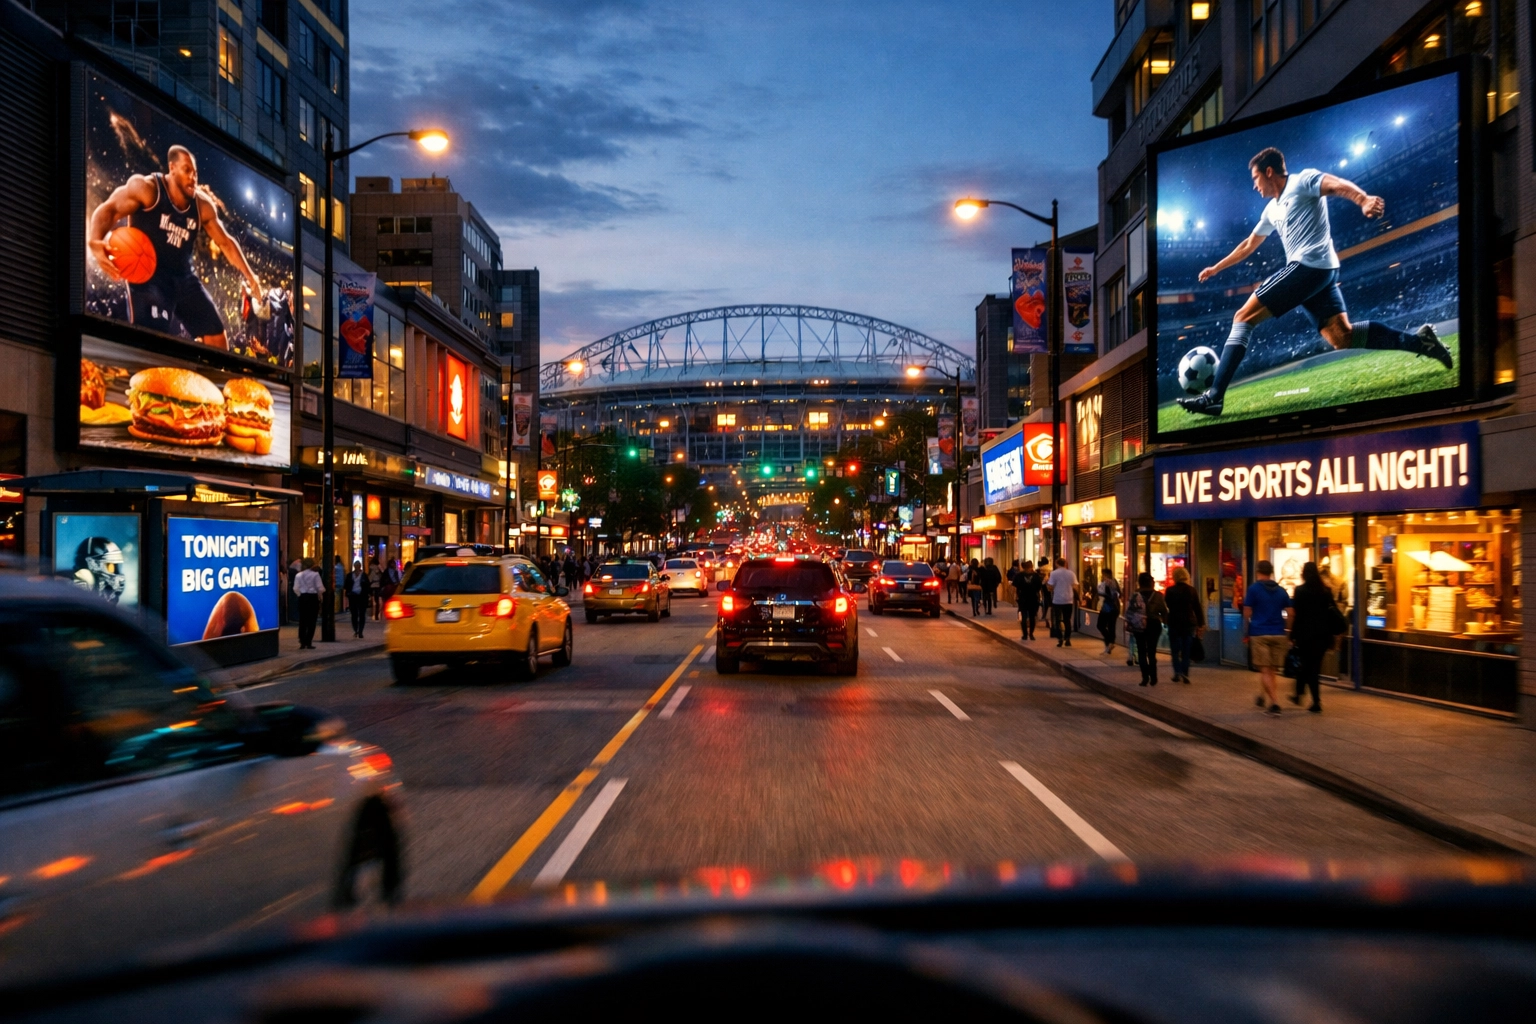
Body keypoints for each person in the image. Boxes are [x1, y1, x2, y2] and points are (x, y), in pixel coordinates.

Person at [1177, 147, 1452, 418]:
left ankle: (1214, 398)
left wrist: (1363, 199)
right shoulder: (1271, 209)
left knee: (1242, 317)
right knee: (1342, 336)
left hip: (1308, 267)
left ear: (1269, 171)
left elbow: (1336, 184)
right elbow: (1249, 244)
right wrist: (1216, 268)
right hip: (1320, 273)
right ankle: (1420, 342)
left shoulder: (1302, 181)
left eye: (1255, 178)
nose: (1254, 185)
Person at [87, 144, 265, 350]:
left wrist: (250, 276)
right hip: (150, 277)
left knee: (218, 340)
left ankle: (197, 370)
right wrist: (94, 239)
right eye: (187, 170)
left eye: (195, 173)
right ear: (172, 168)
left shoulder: (202, 206)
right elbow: (109, 210)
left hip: (183, 278)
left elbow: (225, 241)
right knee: (152, 345)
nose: (193, 178)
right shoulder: (147, 189)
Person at [1289, 561, 1347, 713]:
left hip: (1305, 635)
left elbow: (1298, 616)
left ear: (1304, 573)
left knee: (1306, 666)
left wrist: (1293, 635)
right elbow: (1333, 610)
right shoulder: (1326, 591)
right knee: (1313, 667)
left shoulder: (1300, 591)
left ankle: (1312, 700)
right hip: (1322, 636)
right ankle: (1303, 696)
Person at [1245, 559, 1294, 716]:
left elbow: (1247, 612)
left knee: (1265, 669)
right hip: (1278, 634)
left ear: (1258, 572)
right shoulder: (1281, 591)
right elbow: (1291, 613)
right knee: (1270, 670)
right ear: (1271, 572)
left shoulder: (1253, 589)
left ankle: (1274, 703)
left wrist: (1247, 630)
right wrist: (1287, 631)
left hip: (1259, 633)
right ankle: (1262, 696)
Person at [1163, 567, 1205, 684]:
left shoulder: (1170, 590)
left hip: (1174, 622)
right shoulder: (1192, 590)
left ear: (1175, 577)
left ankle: (1177, 672)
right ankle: (1185, 672)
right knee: (1186, 649)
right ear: (1186, 576)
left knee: (1175, 650)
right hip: (1188, 623)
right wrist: (1201, 623)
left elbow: (1167, 605)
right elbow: (1197, 608)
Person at [1125, 573, 1169, 685]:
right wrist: (1164, 621)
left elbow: (1129, 611)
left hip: (1139, 624)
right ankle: (1153, 677)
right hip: (1154, 624)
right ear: (1151, 582)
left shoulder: (1135, 595)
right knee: (1151, 652)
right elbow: (1163, 611)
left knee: (1141, 651)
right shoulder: (1158, 595)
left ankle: (1145, 678)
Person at [1045, 557, 1079, 648]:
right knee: (1067, 620)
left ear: (1057, 564)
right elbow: (1075, 586)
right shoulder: (1071, 573)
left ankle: (1060, 638)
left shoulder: (1054, 573)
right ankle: (1067, 638)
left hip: (1057, 599)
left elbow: (1050, 587)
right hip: (1068, 599)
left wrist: (1048, 585)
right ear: (1065, 564)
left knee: (1057, 619)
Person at [293, 558, 324, 649]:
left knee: (302, 620)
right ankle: (308, 641)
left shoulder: (298, 575)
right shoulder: (315, 575)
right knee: (312, 621)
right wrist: (320, 596)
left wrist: (300, 595)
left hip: (303, 598)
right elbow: (320, 588)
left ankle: (302, 641)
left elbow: (295, 588)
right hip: (312, 598)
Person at [1096, 570, 1122, 657]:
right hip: (1111, 608)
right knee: (1109, 626)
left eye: (1103, 575)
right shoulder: (1111, 582)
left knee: (1103, 625)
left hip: (1109, 608)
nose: (1102, 576)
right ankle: (1110, 644)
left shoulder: (1110, 583)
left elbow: (1113, 594)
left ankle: (1109, 644)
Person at [1015, 560, 1042, 640]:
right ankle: (1031, 634)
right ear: (1031, 567)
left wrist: (1017, 596)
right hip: (1033, 598)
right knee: (1032, 617)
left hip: (1022, 598)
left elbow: (1015, 586)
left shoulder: (1019, 575)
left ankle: (1025, 635)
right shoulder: (1036, 576)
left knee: (1024, 617)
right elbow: (1039, 587)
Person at [346, 559, 371, 639]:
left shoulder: (364, 575)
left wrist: (368, 594)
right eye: (356, 566)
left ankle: (360, 631)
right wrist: (348, 593)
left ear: (360, 566)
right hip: (353, 596)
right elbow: (346, 585)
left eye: (358, 566)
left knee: (362, 614)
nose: (357, 567)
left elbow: (367, 586)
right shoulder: (350, 575)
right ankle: (356, 629)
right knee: (354, 614)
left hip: (362, 596)